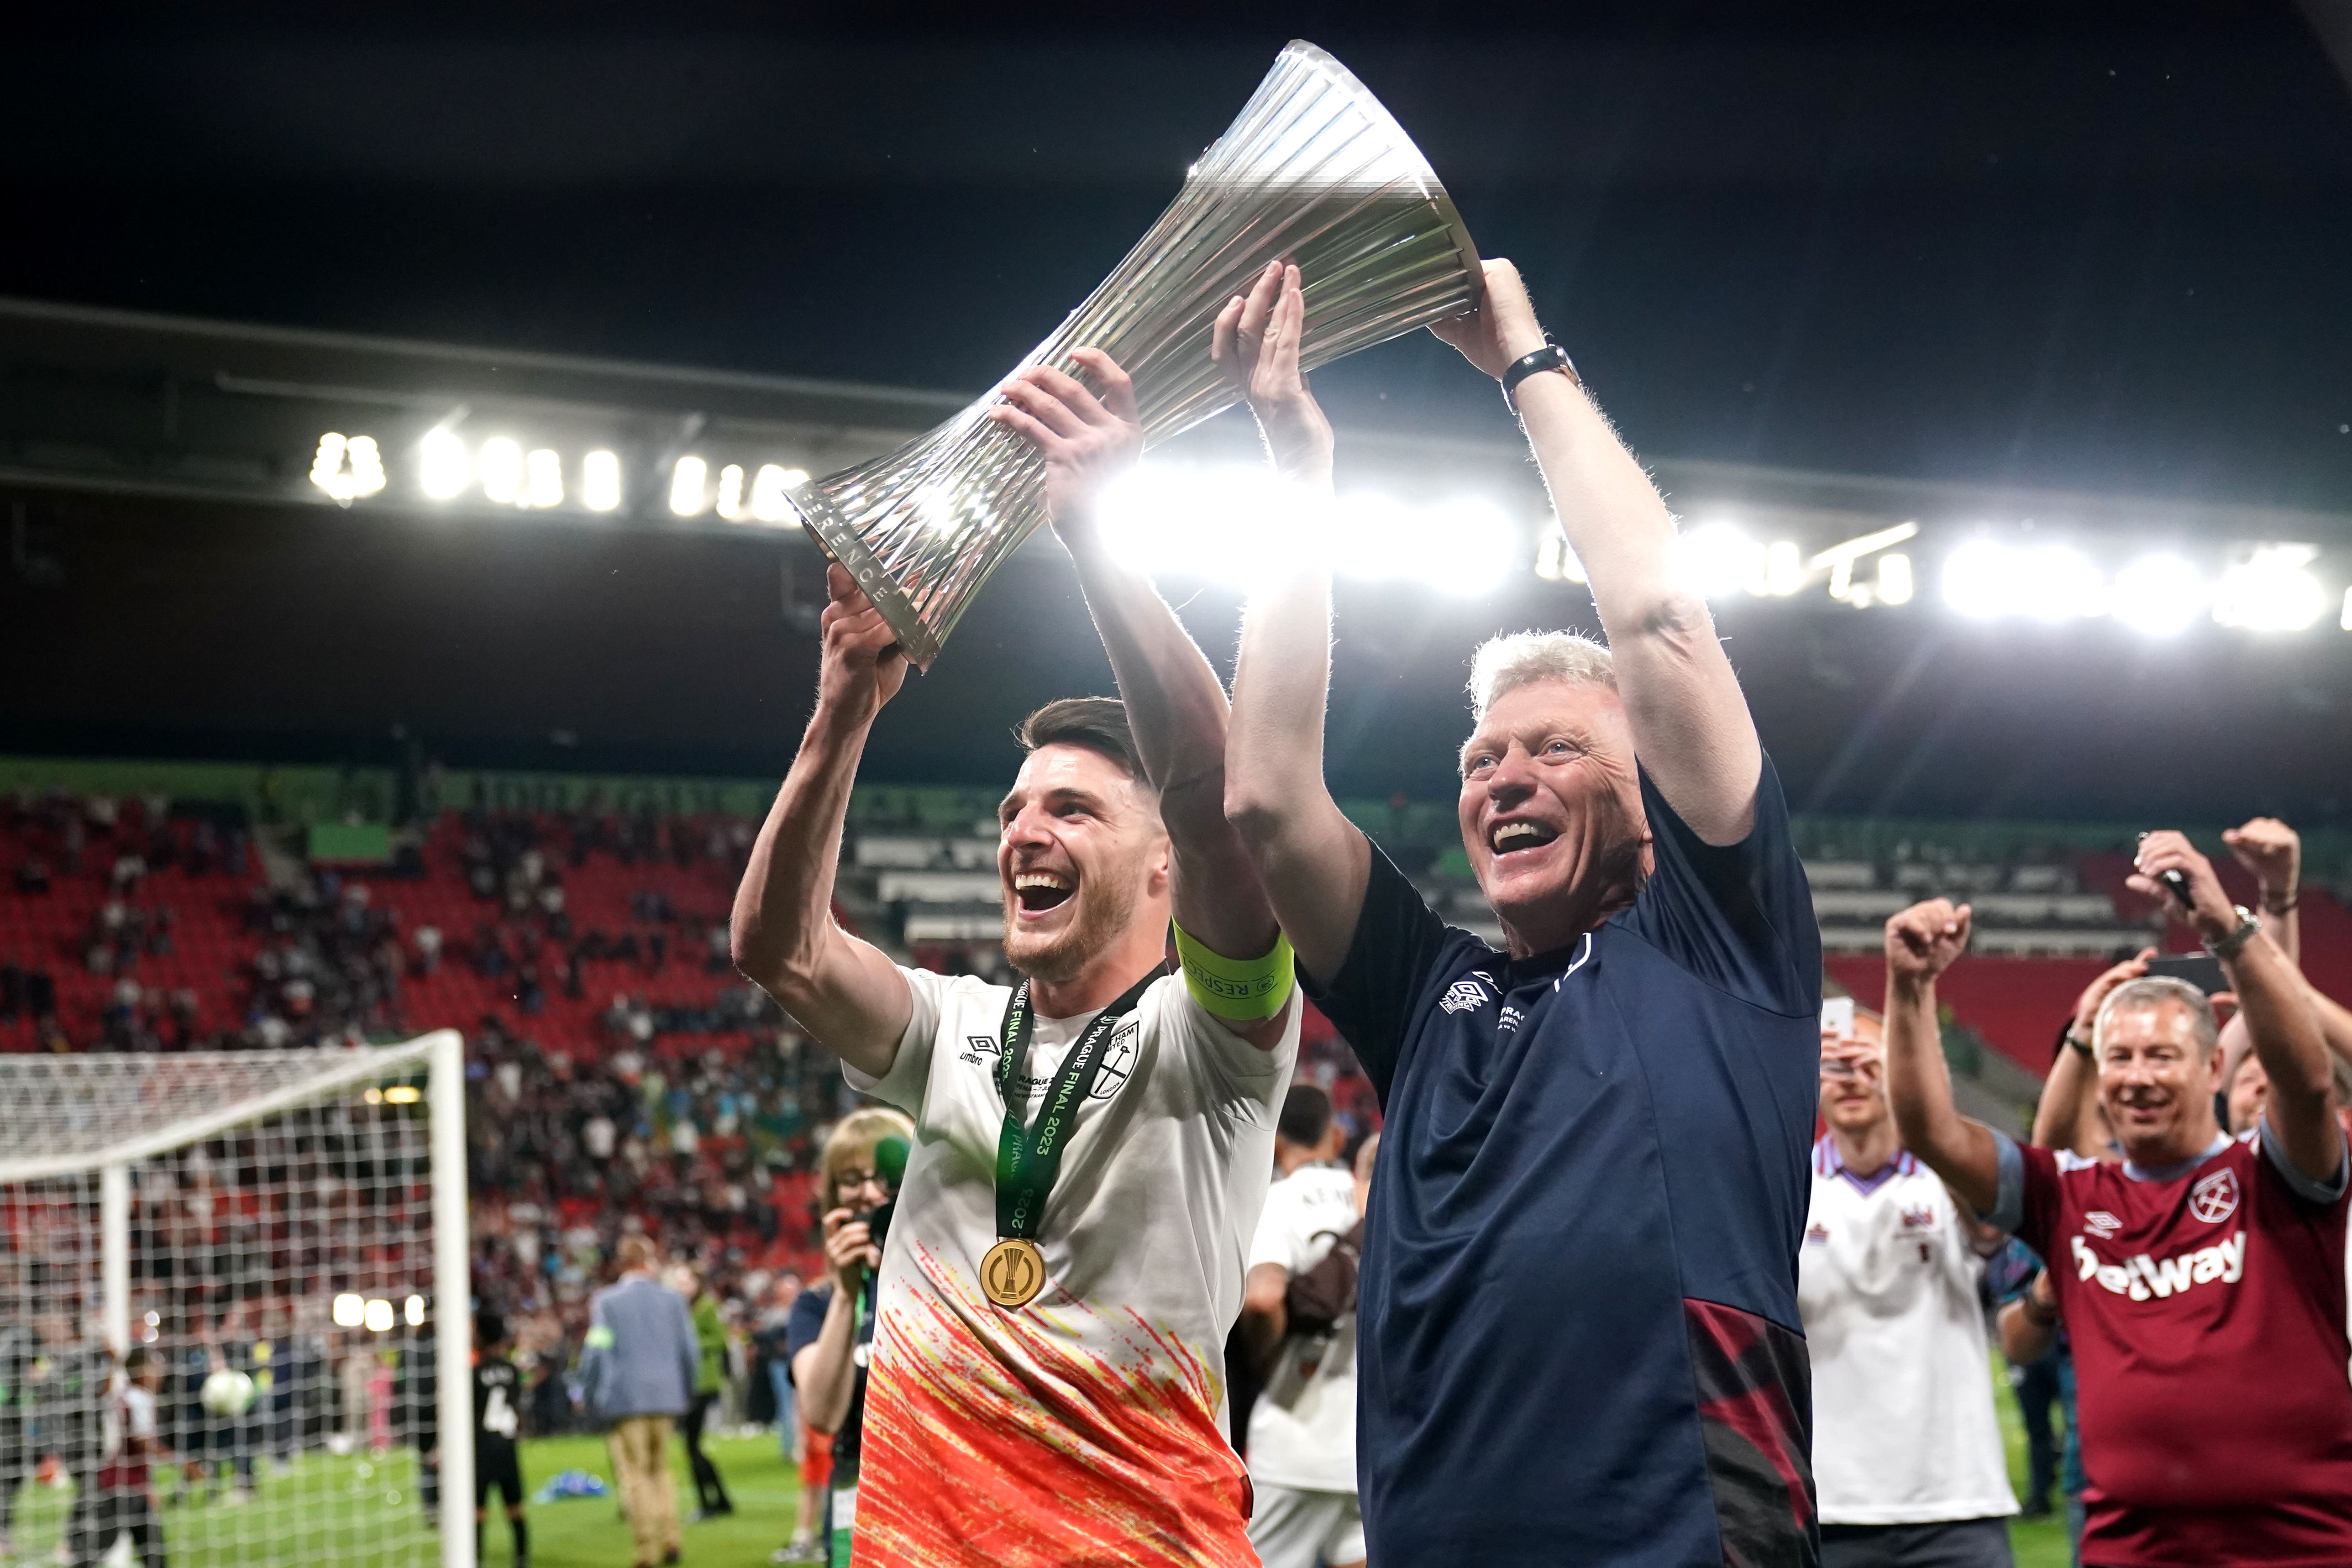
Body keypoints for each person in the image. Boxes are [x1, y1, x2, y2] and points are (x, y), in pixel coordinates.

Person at [1221, 258, 1821, 1564]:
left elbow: (1658, 613)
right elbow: (1266, 797)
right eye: (1481, 760)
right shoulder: (1430, 996)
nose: (1504, 775)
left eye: (1554, 748)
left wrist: (1524, 363)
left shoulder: (1722, 944)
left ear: (1654, 797)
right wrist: (1296, 474)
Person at [732, 337, 1300, 1564]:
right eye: (1013, 811)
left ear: (1163, 864)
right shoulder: (950, 1030)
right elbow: (780, 950)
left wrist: (1095, 534)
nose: (1024, 832)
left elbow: (1215, 792)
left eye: (1074, 810)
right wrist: (843, 710)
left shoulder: (1217, 1042)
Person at [1883, 828, 2352, 1565]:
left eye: (2161, 1055)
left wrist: (2225, 928)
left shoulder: (2277, 1174)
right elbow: (1930, 1131)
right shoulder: (2065, 1195)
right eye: (2119, 1057)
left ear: (2210, 1070)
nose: (2137, 1075)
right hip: (2127, 1551)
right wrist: (1909, 990)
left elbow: (2308, 1080)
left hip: (2302, 1550)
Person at [1799, 1004, 2016, 1567]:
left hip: (1956, 1501)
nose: (1852, 1078)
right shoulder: (1789, 1190)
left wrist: (1908, 1097)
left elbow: (1992, 1226)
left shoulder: (1946, 1179)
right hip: (1829, 1505)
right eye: (1833, 1066)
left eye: (1867, 1063)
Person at [1236, 1086, 1370, 1568]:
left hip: (1294, 1437)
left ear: (1274, 1144)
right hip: (1367, 1444)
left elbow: (1262, 1298)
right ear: (1336, 1138)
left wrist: (1264, 1360)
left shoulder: (1276, 1200)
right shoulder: (1369, 1198)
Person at [774, 1107, 910, 1568]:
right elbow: (823, 1414)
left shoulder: (956, 1281)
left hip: (953, 1504)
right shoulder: (815, 1305)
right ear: (833, 1194)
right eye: (851, 1179)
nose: (870, 1192)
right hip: (860, 1516)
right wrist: (846, 1293)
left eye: (884, 1176)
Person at [579, 1234, 700, 1568]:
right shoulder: (673, 1300)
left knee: (634, 1474)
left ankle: (646, 1548)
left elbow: (597, 1350)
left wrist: (585, 1390)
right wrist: (687, 1389)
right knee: (661, 1470)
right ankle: (672, 1537)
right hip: (667, 1395)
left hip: (626, 1398)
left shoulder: (607, 1301)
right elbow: (690, 1350)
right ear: (649, 1261)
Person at [67, 1345, 167, 1568]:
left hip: (122, 1482)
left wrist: (113, 1364)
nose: (160, 1375)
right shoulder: (140, 1400)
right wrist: (183, 1463)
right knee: (98, 1550)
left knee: (153, 1552)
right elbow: (143, 1443)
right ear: (142, 1371)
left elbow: (105, 1394)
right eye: (155, 1369)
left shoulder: (125, 1395)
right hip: (124, 1487)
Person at [672, 1266, 732, 1521]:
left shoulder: (707, 1306)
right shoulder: (681, 1308)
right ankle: (720, 1500)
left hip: (702, 1383)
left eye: (687, 1282)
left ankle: (708, 1504)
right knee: (694, 1446)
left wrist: (691, 1345)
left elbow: (719, 1339)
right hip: (690, 1384)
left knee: (692, 1445)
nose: (682, 1287)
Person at [472, 1311, 530, 1568]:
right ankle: (521, 1559)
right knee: (515, 1509)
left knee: (477, 1512)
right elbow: (517, 1404)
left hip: (481, 1448)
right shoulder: (511, 1370)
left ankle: (475, 1559)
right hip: (507, 1446)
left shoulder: (472, 1373)